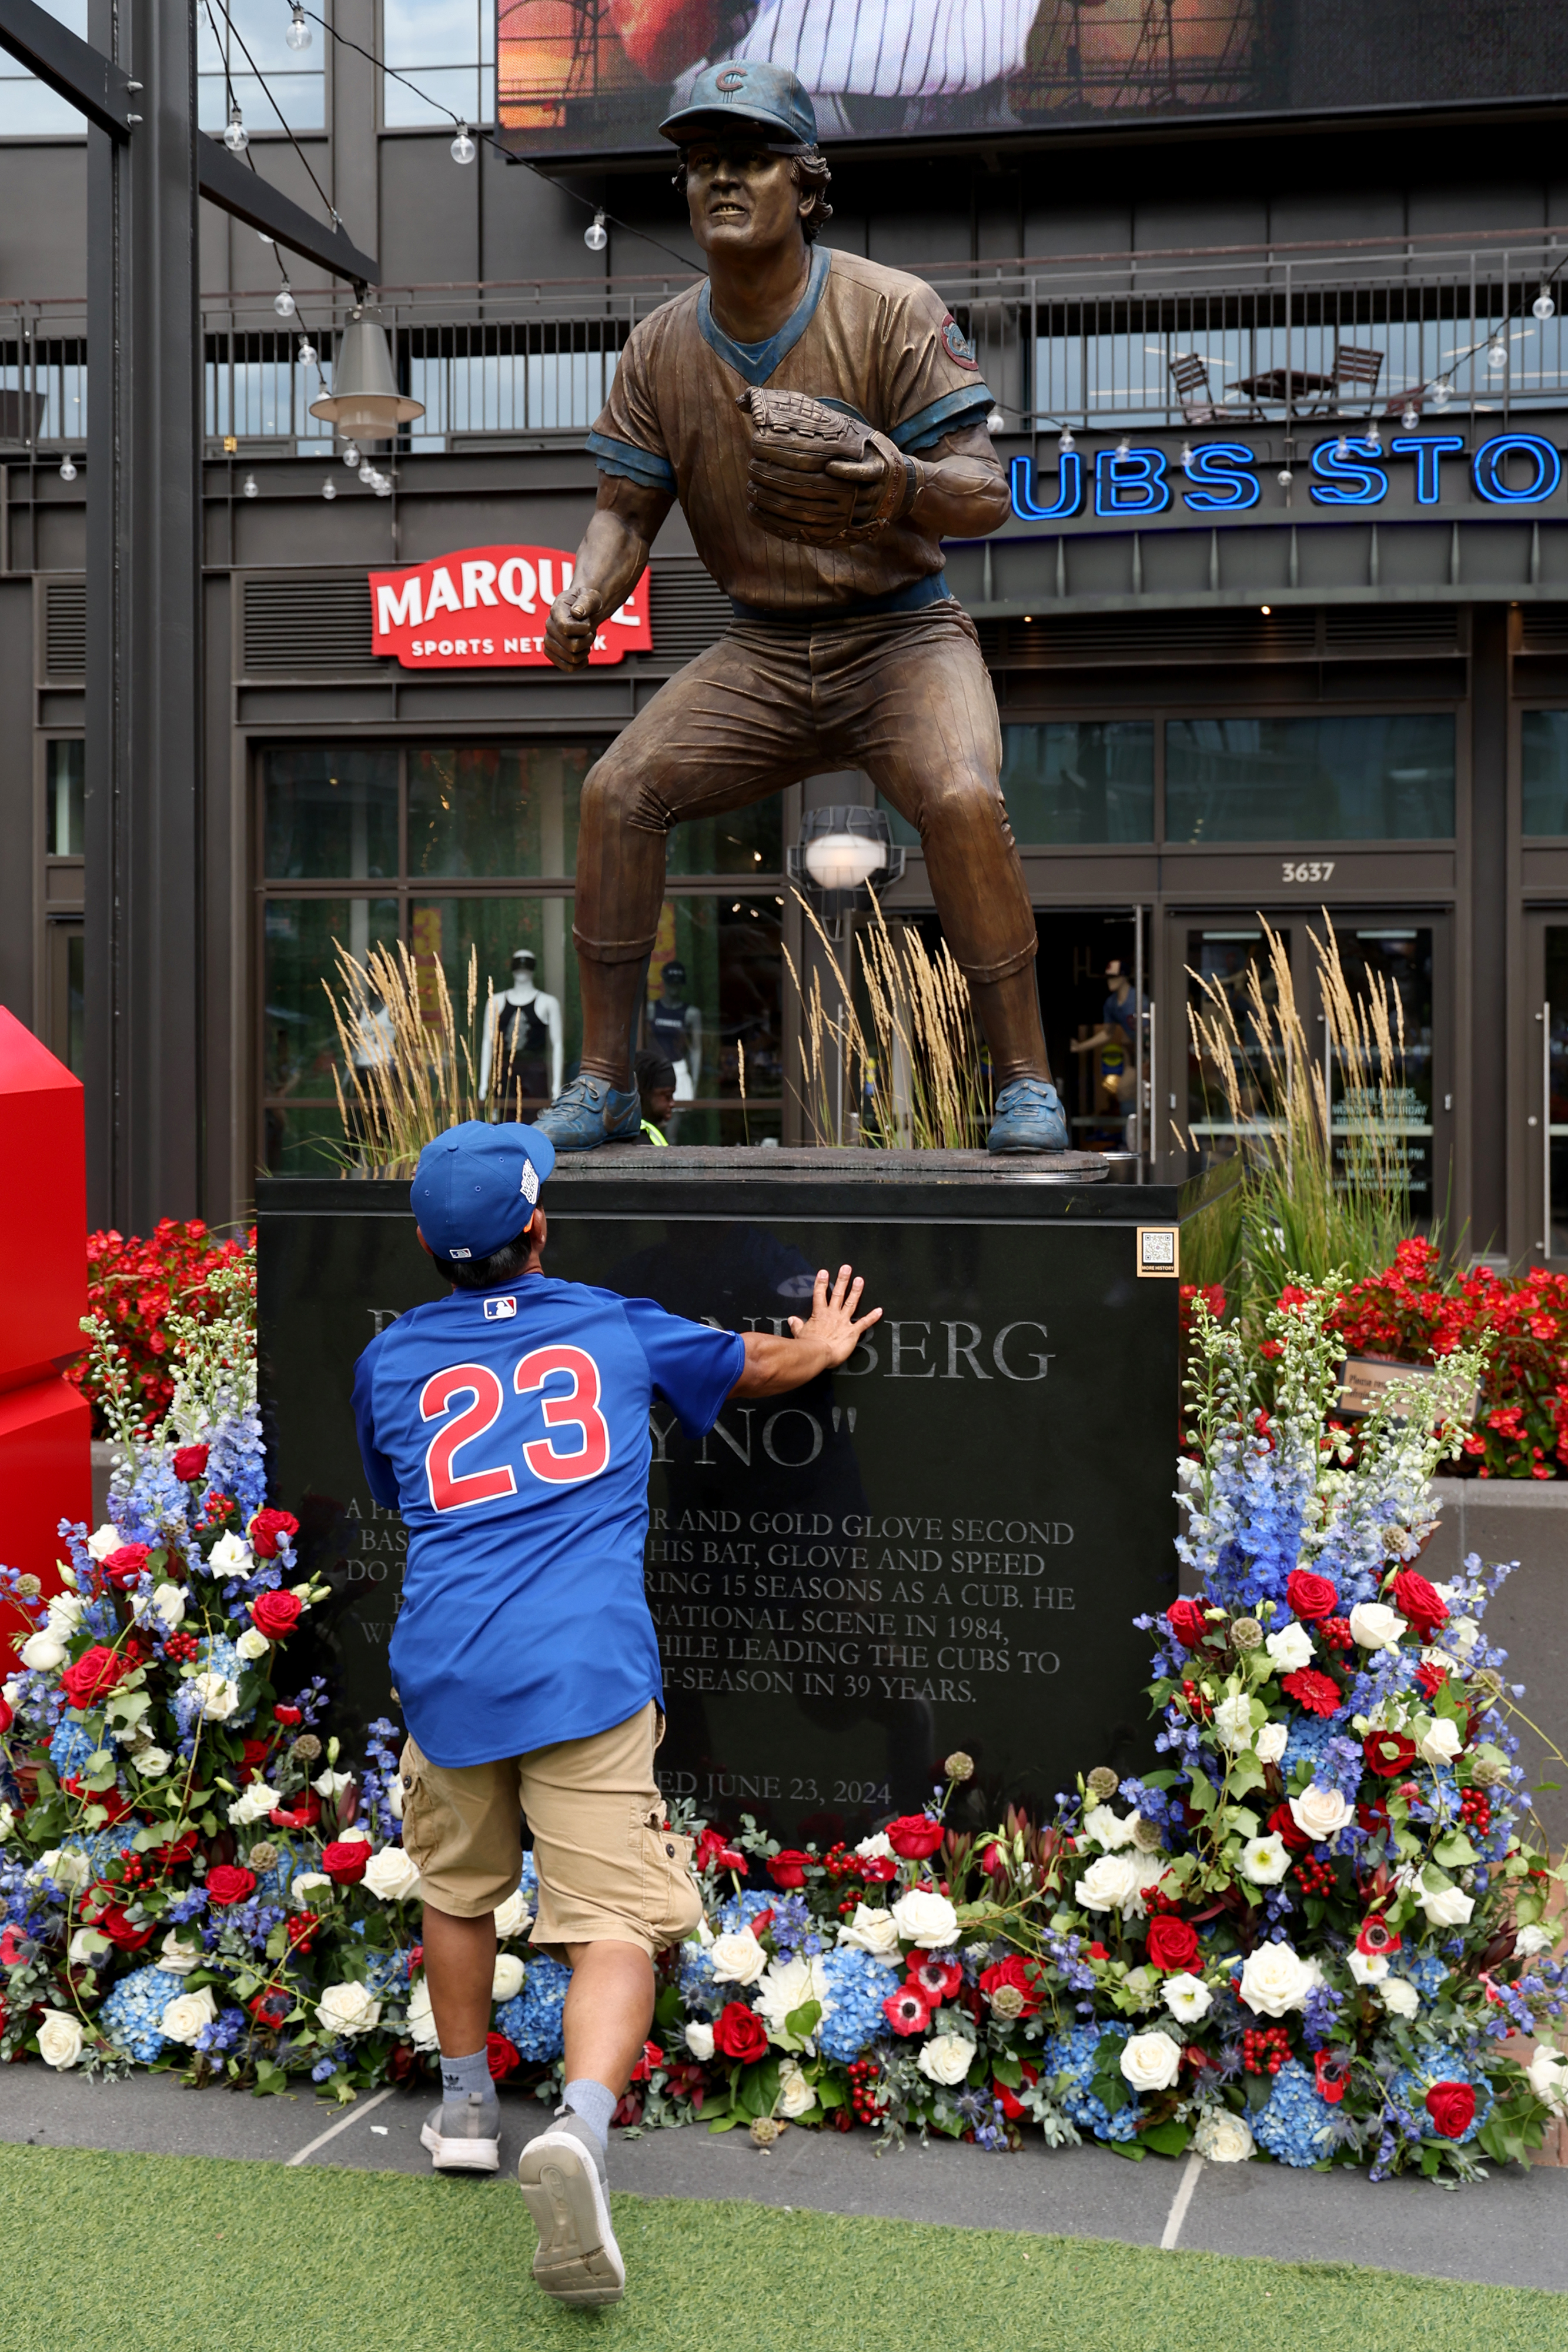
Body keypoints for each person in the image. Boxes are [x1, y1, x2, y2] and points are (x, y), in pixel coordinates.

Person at [350, 1120, 880, 2306]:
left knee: (456, 1890)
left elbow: (399, 1481)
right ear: (538, 1226)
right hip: (585, 1674)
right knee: (615, 1926)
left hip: (448, 1673)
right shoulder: (605, 1320)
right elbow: (762, 1366)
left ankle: (470, 2108)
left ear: (431, 1245)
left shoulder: (387, 1362)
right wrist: (825, 1339)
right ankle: (579, 2129)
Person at [533, 59, 1068, 1157]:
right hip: (764, 649)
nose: (721, 180)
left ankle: (1023, 1081)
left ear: (807, 185)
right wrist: (587, 591)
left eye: (750, 158)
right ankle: (601, 1081)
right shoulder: (659, 346)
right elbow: (625, 512)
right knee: (616, 791)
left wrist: (905, 485)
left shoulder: (888, 306)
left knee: (964, 799)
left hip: (902, 634)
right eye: (701, 162)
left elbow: (987, 491)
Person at [481, 947, 565, 1111]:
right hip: (504, 1072)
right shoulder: (496, 1002)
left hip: (535, 1073)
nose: (522, 970)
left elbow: (558, 1045)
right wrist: (484, 1083)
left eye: (526, 965)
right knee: (505, 1120)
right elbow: (487, 1042)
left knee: (534, 1118)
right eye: (518, 965)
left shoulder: (548, 1003)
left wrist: (557, 1086)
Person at [634, 1045, 676, 1142]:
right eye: (668, 1096)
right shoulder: (639, 1139)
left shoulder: (647, 1132)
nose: (673, 1103)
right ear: (644, 1093)